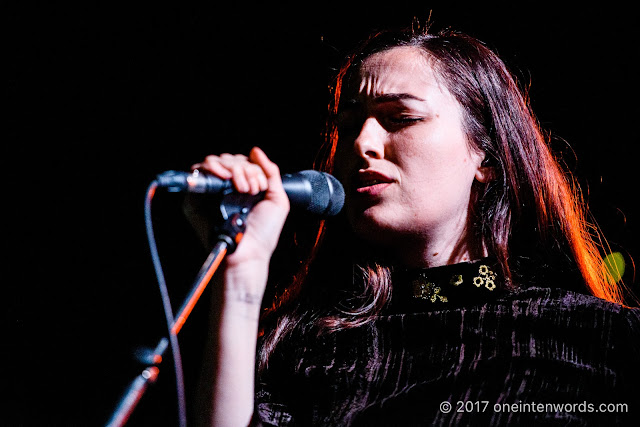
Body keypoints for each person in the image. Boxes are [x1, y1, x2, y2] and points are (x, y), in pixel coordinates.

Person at [189, 27, 639, 426]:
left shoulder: (596, 337)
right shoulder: (308, 349)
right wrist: (240, 271)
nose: (362, 143)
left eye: (401, 118)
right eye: (347, 126)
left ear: (486, 155)